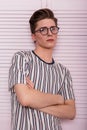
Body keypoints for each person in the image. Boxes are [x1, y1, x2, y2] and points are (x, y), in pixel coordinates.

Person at [8, 8, 76, 130]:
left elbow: (70, 112)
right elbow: (25, 99)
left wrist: (35, 97)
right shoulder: (22, 58)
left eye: (53, 28)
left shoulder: (64, 71)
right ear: (33, 36)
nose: (50, 33)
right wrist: (59, 99)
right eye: (43, 30)